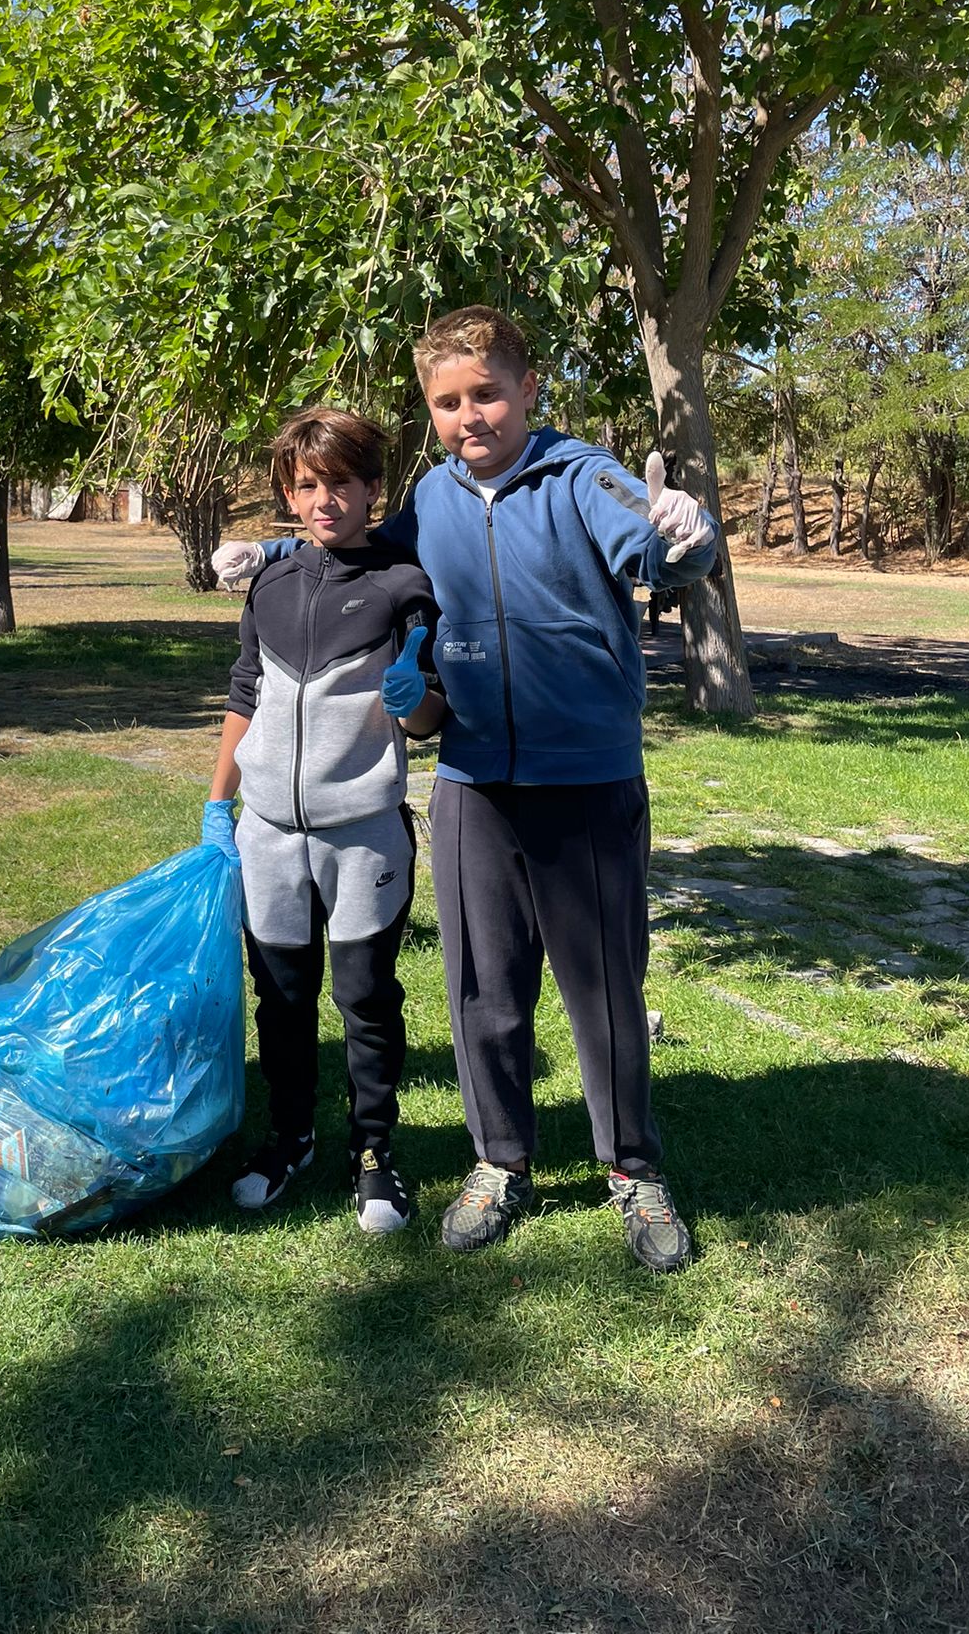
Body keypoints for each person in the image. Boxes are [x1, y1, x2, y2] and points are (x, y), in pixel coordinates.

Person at [214, 308, 718, 1273]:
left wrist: (686, 537)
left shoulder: (583, 476)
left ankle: (632, 1169)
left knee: (605, 987)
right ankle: (500, 1161)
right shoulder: (429, 501)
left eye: (486, 393)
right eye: (447, 402)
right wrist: (271, 555)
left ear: (528, 388)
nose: (468, 416)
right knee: (482, 987)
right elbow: (353, 546)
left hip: (588, 777)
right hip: (472, 780)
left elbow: (655, 548)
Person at [202, 408, 443, 1236]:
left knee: (367, 999)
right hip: (267, 831)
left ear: (374, 488)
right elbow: (245, 693)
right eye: (307, 485)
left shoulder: (404, 582)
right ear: (287, 494)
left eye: (341, 482)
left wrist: (417, 707)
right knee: (280, 996)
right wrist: (217, 801)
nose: (325, 499)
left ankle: (375, 1153)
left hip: (363, 831)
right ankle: (291, 1137)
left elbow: (430, 703)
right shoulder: (269, 583)